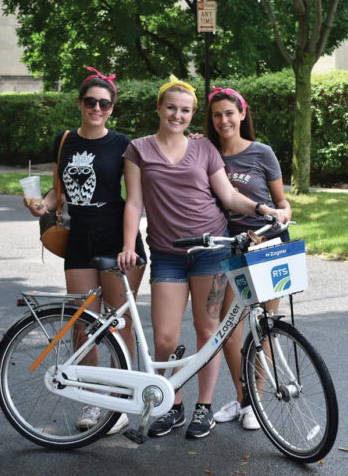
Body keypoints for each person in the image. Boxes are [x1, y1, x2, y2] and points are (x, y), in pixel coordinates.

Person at [117, 76, 286, 440]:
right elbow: (134, 202)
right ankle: (174, 405)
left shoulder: (205, 149)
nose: (178, 115)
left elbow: (228, 197)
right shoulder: (138, 150)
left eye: (186, 110)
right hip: (167, 254)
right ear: (159, 109)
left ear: (193, 115)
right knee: (164, 337)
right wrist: (129, 245)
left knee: (207, 333)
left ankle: (203, 408)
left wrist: (262, 207)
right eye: (171, 108)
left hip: (211, 250)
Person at [25, 67, 147, 435]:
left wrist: (129, 245)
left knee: (118, 323)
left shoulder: (124, 145)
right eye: (91, 102)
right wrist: (42, 205)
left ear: (112, 108)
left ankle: (122, 397)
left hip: (116, 240)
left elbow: (133, 201)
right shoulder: (65, 141)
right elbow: (57, 191)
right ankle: (94, 401)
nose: (97, 108)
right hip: (79, 241)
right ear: (80, 103)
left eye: (104, 103)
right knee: (83, 323)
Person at [205, 86, 292, 430]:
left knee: (265, 327)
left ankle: (256, 401)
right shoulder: (206, 152)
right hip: (228, 246)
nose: (224, 120)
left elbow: (281, 200)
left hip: (265, 244)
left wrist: (284, 212)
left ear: (242, 114)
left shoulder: (261, 152)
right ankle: (244, 398)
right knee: (229, 329)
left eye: (230, 113)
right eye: (217, 115)